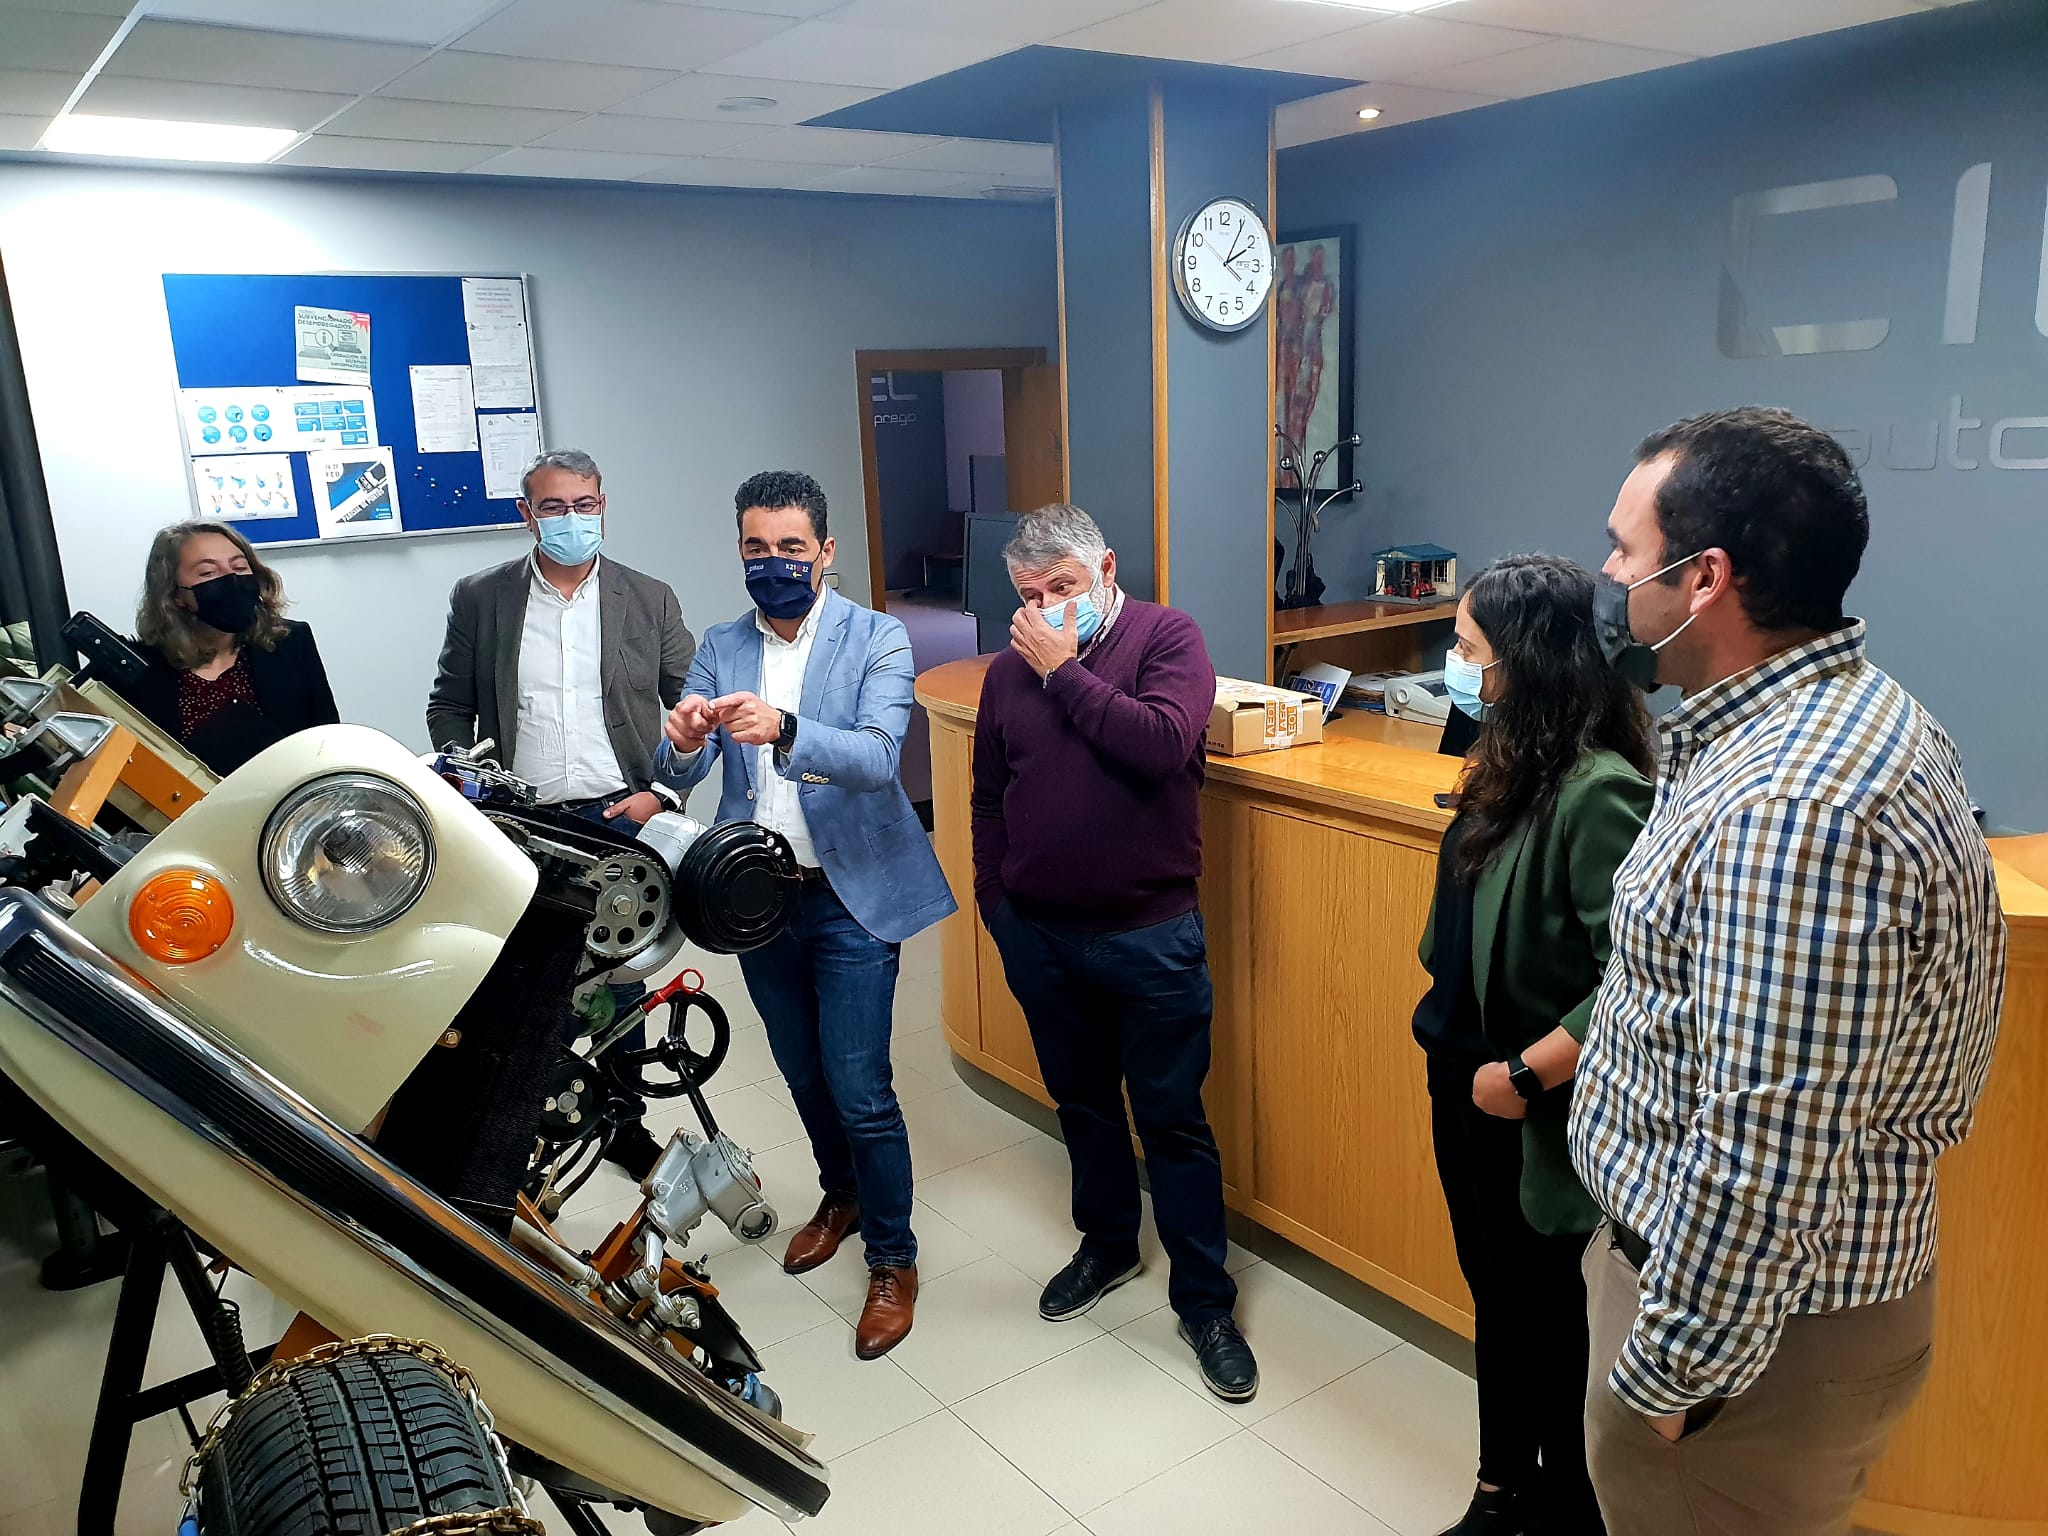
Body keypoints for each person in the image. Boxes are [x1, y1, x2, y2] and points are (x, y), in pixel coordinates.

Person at [1569, 407, 2007, 1536]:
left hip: (1744, 1348)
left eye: (1624, 549)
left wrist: (1672, 1378)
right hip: (1740, 1312)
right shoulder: (1821, 721)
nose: (1609, 575)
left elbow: (1765, 1150)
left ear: (1704, 577)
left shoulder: (1796, 806)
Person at [656, 470, 953, 1361]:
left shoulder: (877, 636)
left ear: (825, 551)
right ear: (739, 551)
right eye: (757, 547)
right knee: (801, 1071)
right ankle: (843, 1197)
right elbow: (680, 773)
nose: (774, 562)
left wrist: (784, 728)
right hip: (759, 898)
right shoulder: (720, 644)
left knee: (860, 1086)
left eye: (791, 547)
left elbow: (876, 757)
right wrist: (680, 742)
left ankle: (892, 1258)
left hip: (850, 897)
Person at [970, 503, 1258, 1403]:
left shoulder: (1168, 638)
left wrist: (1063, 671)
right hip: (1041, 934)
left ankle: (1205, 1303)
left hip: (1150, 936)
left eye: (1060, 587)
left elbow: (1163, 746)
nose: (1044, 609)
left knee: (1172, 1121)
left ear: (1105, 569)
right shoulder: (1007, 672)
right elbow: (988, 795)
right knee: (1084, 1107)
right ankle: (1107, 1245)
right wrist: (997, 905)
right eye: (1028, 596)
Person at [1415, 555, 1653, 1536]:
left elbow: (1636, 975)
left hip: (1529, 1096)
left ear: (1526, 660)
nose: (1453, 663)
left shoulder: (1596, 790)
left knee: (1547, 1319)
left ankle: (1564, 1509)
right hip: (1458, 1070)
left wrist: (1523, 1073)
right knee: (1494, 1293)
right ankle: (1499, 1488)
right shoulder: (1505, 754)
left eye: (1467, 647)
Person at [427, 447, 697, 1179]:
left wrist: (663, 793)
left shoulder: (650, 598)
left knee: (620, 979)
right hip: (524, 821)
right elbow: (449, 703)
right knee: (523, 981)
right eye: (553, 507)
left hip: (620, 815)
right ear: (527, 514)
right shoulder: (481, 597)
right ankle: (521, 1127)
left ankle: (624, 1124)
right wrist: (472, 781)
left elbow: (691, 711)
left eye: (584, 504)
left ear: (603, 506)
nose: (571, 519)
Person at [124, 520, 339, 775]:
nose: (231, 580)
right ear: (174, 594)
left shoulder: (291, 643)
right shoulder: (138, 669)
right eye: (208, 573)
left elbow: (327, 743)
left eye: (239, 567)